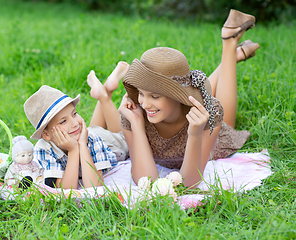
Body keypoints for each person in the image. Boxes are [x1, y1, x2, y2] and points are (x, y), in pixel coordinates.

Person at [118, 9, 259, 188]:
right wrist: (137, 125)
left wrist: (195, 133)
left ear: (178, 96)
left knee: (227, 123)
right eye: (141, 93)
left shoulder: (209, 112)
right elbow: (145, 181)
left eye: (154, 96)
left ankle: (230, 46)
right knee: (199, 93)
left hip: (210, 137)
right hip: (184, 103)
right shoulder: (134, 112)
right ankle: (232, 55)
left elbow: (189, 184)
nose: (144, 103)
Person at [23, 62, 129, 189]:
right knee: (92, 129)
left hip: (110, 143)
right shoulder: (43, 149)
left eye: (74, 114)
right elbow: (66, 190)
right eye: (63, 121)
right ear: (46, 134)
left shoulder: (92, 140)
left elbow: (95, 186)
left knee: (124, 137)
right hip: (87, 133)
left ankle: (105, 95)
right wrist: (74, 150)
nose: (74, 123)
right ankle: (104, 91)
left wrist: (82, 145)